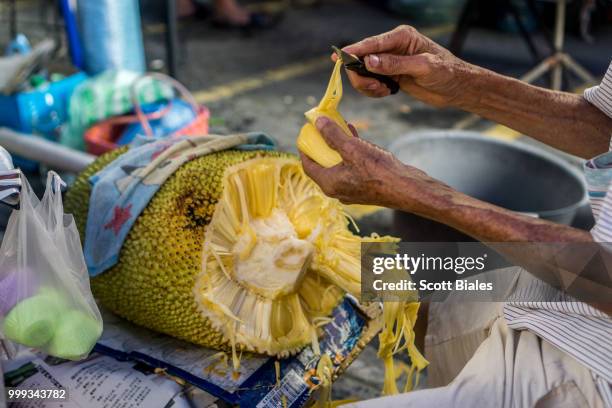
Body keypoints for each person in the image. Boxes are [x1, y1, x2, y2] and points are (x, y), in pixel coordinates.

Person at [300, 26, 612, 407]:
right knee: (405, 281)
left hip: (594, 368)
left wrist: (422, 194)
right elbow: (604, 125)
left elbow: (606, 275)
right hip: (563, 294)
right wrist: (462, 82)